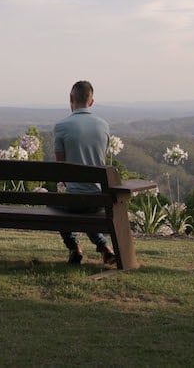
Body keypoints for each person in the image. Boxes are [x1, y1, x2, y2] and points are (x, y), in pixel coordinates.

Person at [53, 80, 117, 266]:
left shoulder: (61, 126)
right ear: (92, 101)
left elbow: (60, 168)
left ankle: (74, 247)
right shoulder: (103, 125)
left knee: (57, 207)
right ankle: (105, 248)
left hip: (74, 200)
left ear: (71, 98)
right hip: (99, 199)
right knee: (85, 206)